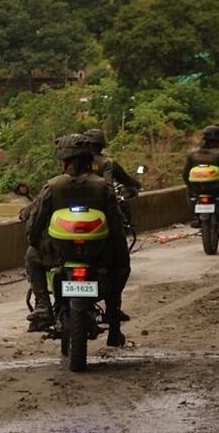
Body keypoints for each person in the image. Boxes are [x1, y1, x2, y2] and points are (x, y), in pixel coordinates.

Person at [25, 134, 128, 346]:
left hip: (59, 255)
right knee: (121, 266)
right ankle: (113, 316)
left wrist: (35, 242)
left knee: (31, 256)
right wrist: (118, 252)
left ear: (64, 161)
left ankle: (43, 305)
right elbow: (116, 227)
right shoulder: (103, 187)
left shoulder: (53, 187)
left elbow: (35, 227)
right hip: (98, 255)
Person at [84, 128, 138, 322]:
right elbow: (125, 183)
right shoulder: (107, 165)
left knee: (36, 258)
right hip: (103, 221)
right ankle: (113, 310)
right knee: (122, 267)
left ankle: (43, 305)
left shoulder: (67, 170)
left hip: (71, 228)